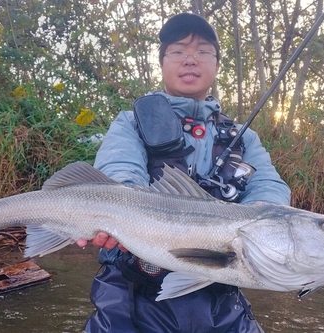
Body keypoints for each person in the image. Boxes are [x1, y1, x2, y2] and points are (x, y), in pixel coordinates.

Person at [81, 13, 291, 333]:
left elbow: (269, 188)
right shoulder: (131, 122)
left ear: (217, 64)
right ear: (163, 63)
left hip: (220, 290)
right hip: (132, 291)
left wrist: (260, 224)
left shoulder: (242, 137)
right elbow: (119, 171)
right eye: (178, 51)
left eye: (202, 51)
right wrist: (117, 217)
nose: (190, 60)